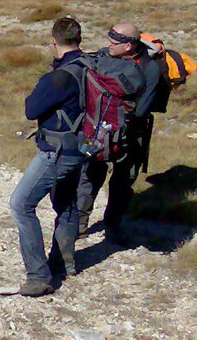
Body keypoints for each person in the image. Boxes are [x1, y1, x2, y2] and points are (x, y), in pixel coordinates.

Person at [9, 17, 87, 296]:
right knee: (66, 205)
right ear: (79, 38)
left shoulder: (59, 76)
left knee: (20, 205)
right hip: (81, 147)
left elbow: (31, 110)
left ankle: (38, 275)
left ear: (53, 40)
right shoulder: (88, 67)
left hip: (57, 151)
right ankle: (64, 263)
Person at [75, 22, 161, 244]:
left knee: (121, 183)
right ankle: (81, 223)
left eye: (114, 43)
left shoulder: (150, 69)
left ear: (130, 46)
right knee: (90, 178)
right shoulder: (106, 56)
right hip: (101, 129)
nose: (108, 45)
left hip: (130, 133)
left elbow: (142, 109)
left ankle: (111, 225)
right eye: (109, 41)